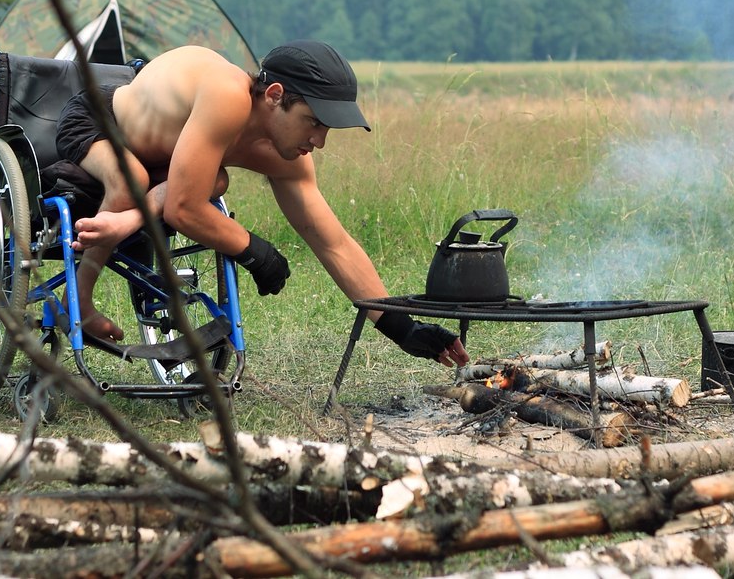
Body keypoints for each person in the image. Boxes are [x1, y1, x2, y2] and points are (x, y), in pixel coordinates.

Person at [53, 39, 469, 367]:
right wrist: (253, 249)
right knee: (137, 180)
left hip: (169, 163)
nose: (319, 141)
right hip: (100, 121)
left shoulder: (288, 156)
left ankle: (125, 222)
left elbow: (332, 242)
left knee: (214, 179)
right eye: (314, 122)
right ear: (274, 95)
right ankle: (81, 304)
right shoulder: (226, 95)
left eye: (329, 130)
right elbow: (182, 209)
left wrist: (402, 327)